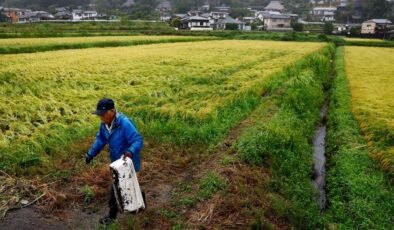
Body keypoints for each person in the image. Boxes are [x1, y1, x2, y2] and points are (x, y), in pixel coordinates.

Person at [85, 98, 144, 225]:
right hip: (117, 163)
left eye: (103, 114)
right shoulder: (105, 125)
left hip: (128, 161)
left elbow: (137, 140)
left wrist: (130, 151)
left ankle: (112, 217)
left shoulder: (124, 123)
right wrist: (91, 154)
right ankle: (140, 203)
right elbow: (100, 140)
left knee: (116, 188)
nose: (101, 117)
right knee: (130, 185)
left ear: (112, 111)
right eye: (99, 114)